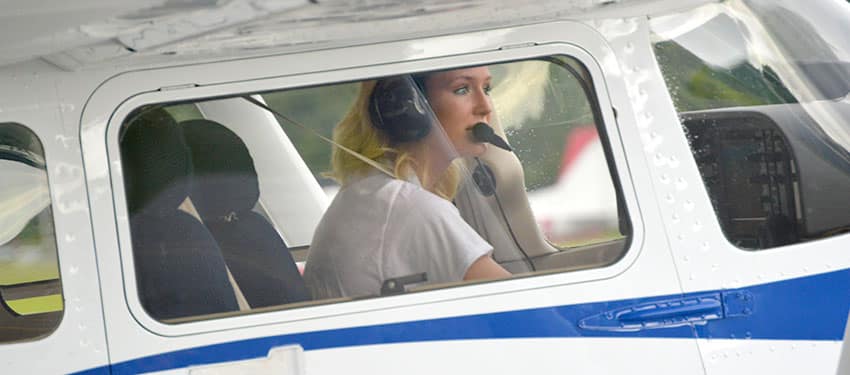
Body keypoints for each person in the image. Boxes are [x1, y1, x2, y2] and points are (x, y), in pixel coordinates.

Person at [303, 66, 511, 299]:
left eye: (486, 88)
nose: (485, 107)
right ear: (408, 108)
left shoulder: (369, 190)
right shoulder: (410, 207)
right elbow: (524, 307)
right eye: (462, 89)